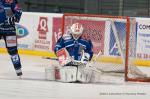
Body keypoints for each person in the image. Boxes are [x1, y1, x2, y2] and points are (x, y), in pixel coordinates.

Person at [0, 0, 22, 76]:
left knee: (13, 51)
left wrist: (15, 17)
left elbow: (18, 11)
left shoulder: (11, 1)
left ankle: (18, 70)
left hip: (9, 30)